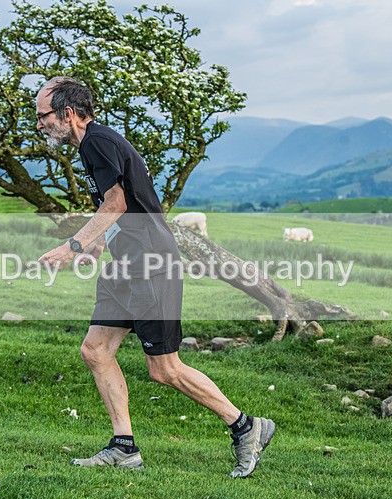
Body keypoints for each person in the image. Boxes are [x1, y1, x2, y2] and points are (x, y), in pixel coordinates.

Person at [36, 77, 274, 478]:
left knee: (164, 368)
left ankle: (246, 427)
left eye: (42, 115)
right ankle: (123, 447)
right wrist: (96, 246)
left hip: (151, 264)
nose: (39, 124)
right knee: (96, 350)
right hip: (125, 265)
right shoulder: (95, 146)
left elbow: (117, 203)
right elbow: (124, 208)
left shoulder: (97, 142)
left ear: (68, 113)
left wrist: (73, 246)